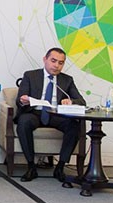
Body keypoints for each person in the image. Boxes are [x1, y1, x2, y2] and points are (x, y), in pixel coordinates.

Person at [15, 47, 85, 182]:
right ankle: (31, 166)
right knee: (24, 122)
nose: (56, 65)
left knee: (74, 125)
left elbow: (81, 101)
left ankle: (60, 166)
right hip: (34, 112)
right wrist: (23, 101)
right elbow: (19, 100)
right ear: (45, 59)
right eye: (53, 61)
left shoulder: (67, 80)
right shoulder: (30, 76)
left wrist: (71, 101)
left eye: (61, 63)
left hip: (56, 114)